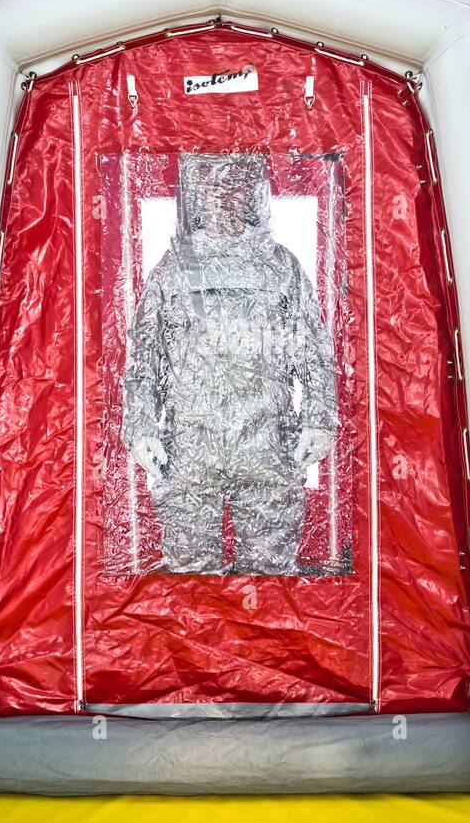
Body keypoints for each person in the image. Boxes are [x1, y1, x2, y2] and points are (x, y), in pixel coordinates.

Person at [122, 153, 337, 574]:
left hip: (266, 445)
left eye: (235, 183)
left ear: (254, 193)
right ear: (195, 195)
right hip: (189, 450)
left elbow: (313, 349)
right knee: (189, 576)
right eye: (212, 185)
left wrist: (319, 419)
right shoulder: (173, 270)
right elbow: (143, 358)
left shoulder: (281, 268)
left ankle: (266, 638)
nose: (223, 195)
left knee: (270, 573)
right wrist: (142, 426)